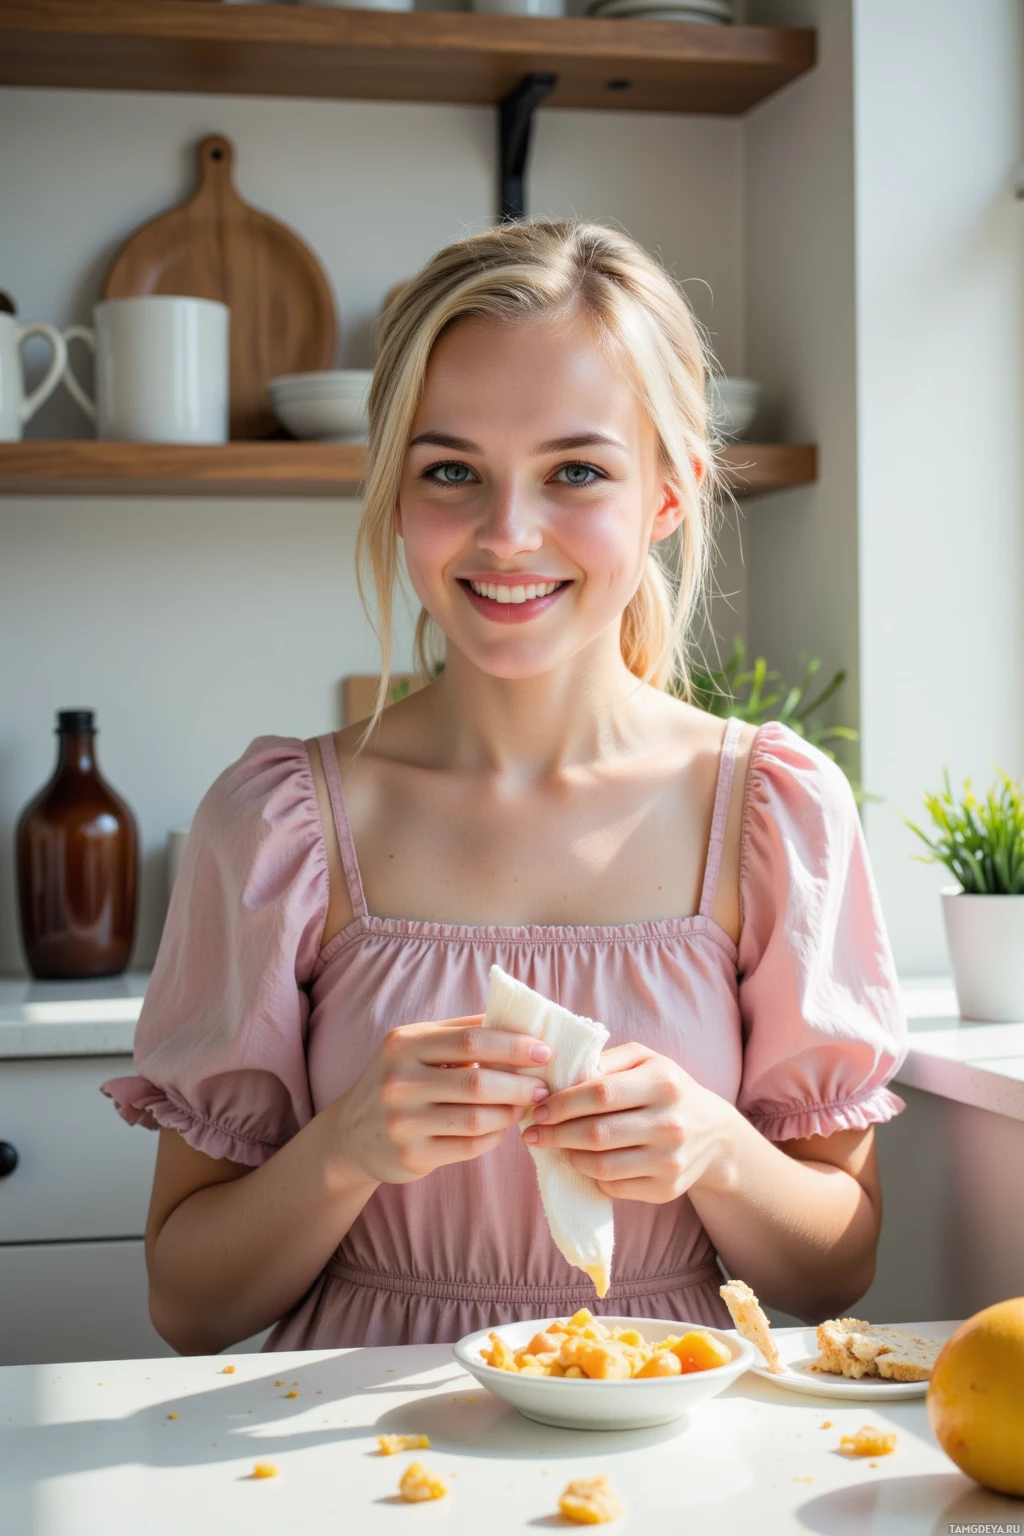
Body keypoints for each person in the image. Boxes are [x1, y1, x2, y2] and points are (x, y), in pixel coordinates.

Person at [102, 219, 908, 1356]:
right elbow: (189, 1306)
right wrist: (348, 1147)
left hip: (663, 1457)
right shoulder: (281, 824)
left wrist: (718, 1150)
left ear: (668, 495)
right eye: (450, 472)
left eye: (575, 469)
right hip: (357, 1459)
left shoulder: (773, 814)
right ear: (393, 493)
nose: (508, 534)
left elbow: (835, 1274)